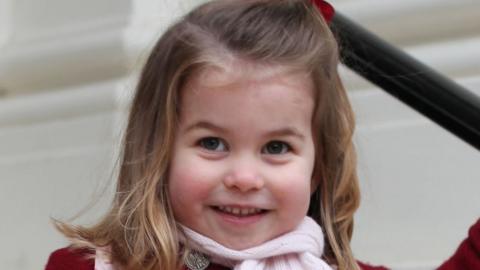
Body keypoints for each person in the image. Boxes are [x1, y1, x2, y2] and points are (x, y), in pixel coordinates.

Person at [45, 0, 480, 269]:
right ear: (158, 149)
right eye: (212, 143)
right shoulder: (86, 268)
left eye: (276, 147)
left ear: (317, 170)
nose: (244, 177)